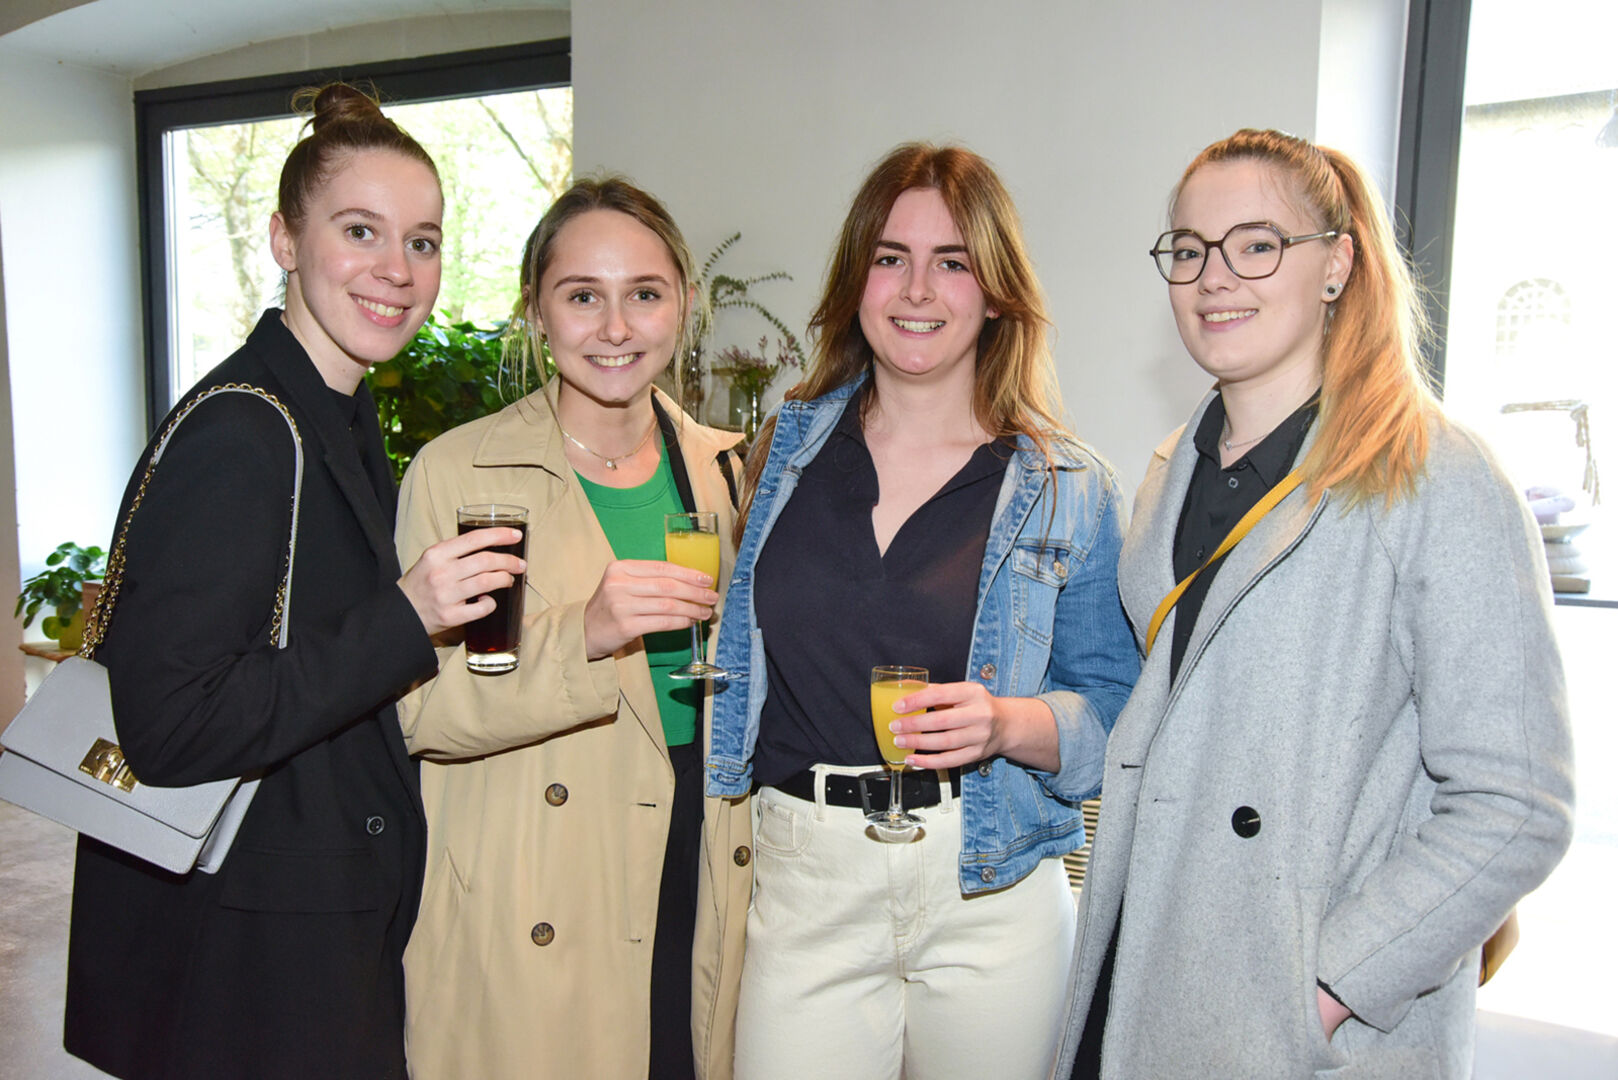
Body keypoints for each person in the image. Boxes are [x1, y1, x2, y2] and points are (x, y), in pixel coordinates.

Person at [1053, 128, 1576, 1078]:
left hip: (1302, 1022)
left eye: (1258, 244)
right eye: (1188, 249)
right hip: (1145, 967)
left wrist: (1330, 982)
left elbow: (1518, 802)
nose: (1216, 277)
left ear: (1336, 264)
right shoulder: (1169, 472)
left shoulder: (1436, 477)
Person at [63, 84, 524, 1079]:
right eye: (360, 231)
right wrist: (408, 614)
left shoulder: (338, 418)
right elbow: (173, 724)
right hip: (253, 952)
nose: (397, 272)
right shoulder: (245, 432)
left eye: (424, 242)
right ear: (283, 239)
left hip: (311, 922)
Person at [704, 143, 1139, 1079]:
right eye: (891, 256)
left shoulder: (1071, 487)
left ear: (996, 294)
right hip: (805, 875)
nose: (916, 289)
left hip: (989, 884)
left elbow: (1118, 710)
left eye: (953, 262)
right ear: (857, 276)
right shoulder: (777, 453)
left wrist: (1007, 722)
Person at [394, 177, 752, 1080]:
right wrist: (582, 632)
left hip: (695, 844)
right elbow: (416, 714)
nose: (616, 326)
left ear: (684, 306)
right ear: (537, 313)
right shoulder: (457, 471)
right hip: (542, 864)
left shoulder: (725, 468)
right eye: (582, 295)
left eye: (645, 293)